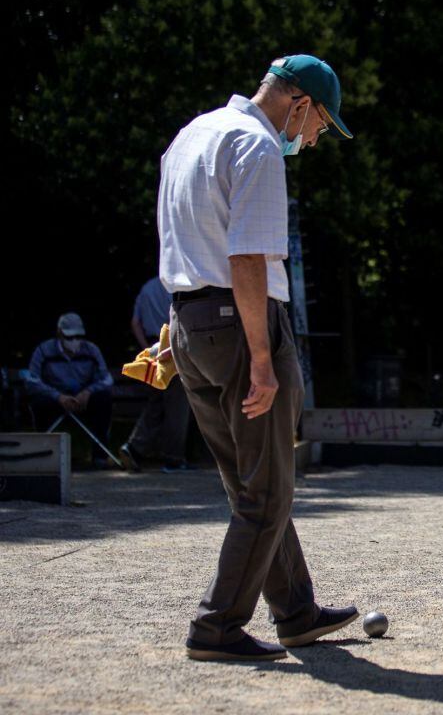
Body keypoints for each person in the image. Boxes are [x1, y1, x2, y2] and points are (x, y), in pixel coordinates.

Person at [158, 54, 357, 661]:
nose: (316, 138)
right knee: (265, 493)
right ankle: (216, 627)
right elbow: (246, 260)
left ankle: (295, 612)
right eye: (321, 123)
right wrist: (263, 358)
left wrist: (175, 332)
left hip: (189, 321)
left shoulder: (192, 134)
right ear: (298, 104)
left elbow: (180, 236)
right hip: (242, 323)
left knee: (254, 484)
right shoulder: (259, 146)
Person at [119, 276, 193, 472]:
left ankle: (134, 447)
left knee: (157, 402)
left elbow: (135, 322)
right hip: (173, 345)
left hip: (153, 347)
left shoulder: (147, 288)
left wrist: (148, 350)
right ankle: (173, 458)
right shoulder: (179, 285)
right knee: (178, 406)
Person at [26, 313, 114, 467]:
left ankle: (100, 456)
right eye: (69, 337)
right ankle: (43, 456)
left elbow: (106, 379)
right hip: (55, 399)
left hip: (83, 398)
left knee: (103, 399)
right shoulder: (44, 350)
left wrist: (88, 392)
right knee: (39, 403)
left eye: (78, 336)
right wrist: (58, 396)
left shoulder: (91, 350)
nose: (74, 341)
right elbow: (32, 380)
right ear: (59, 333)